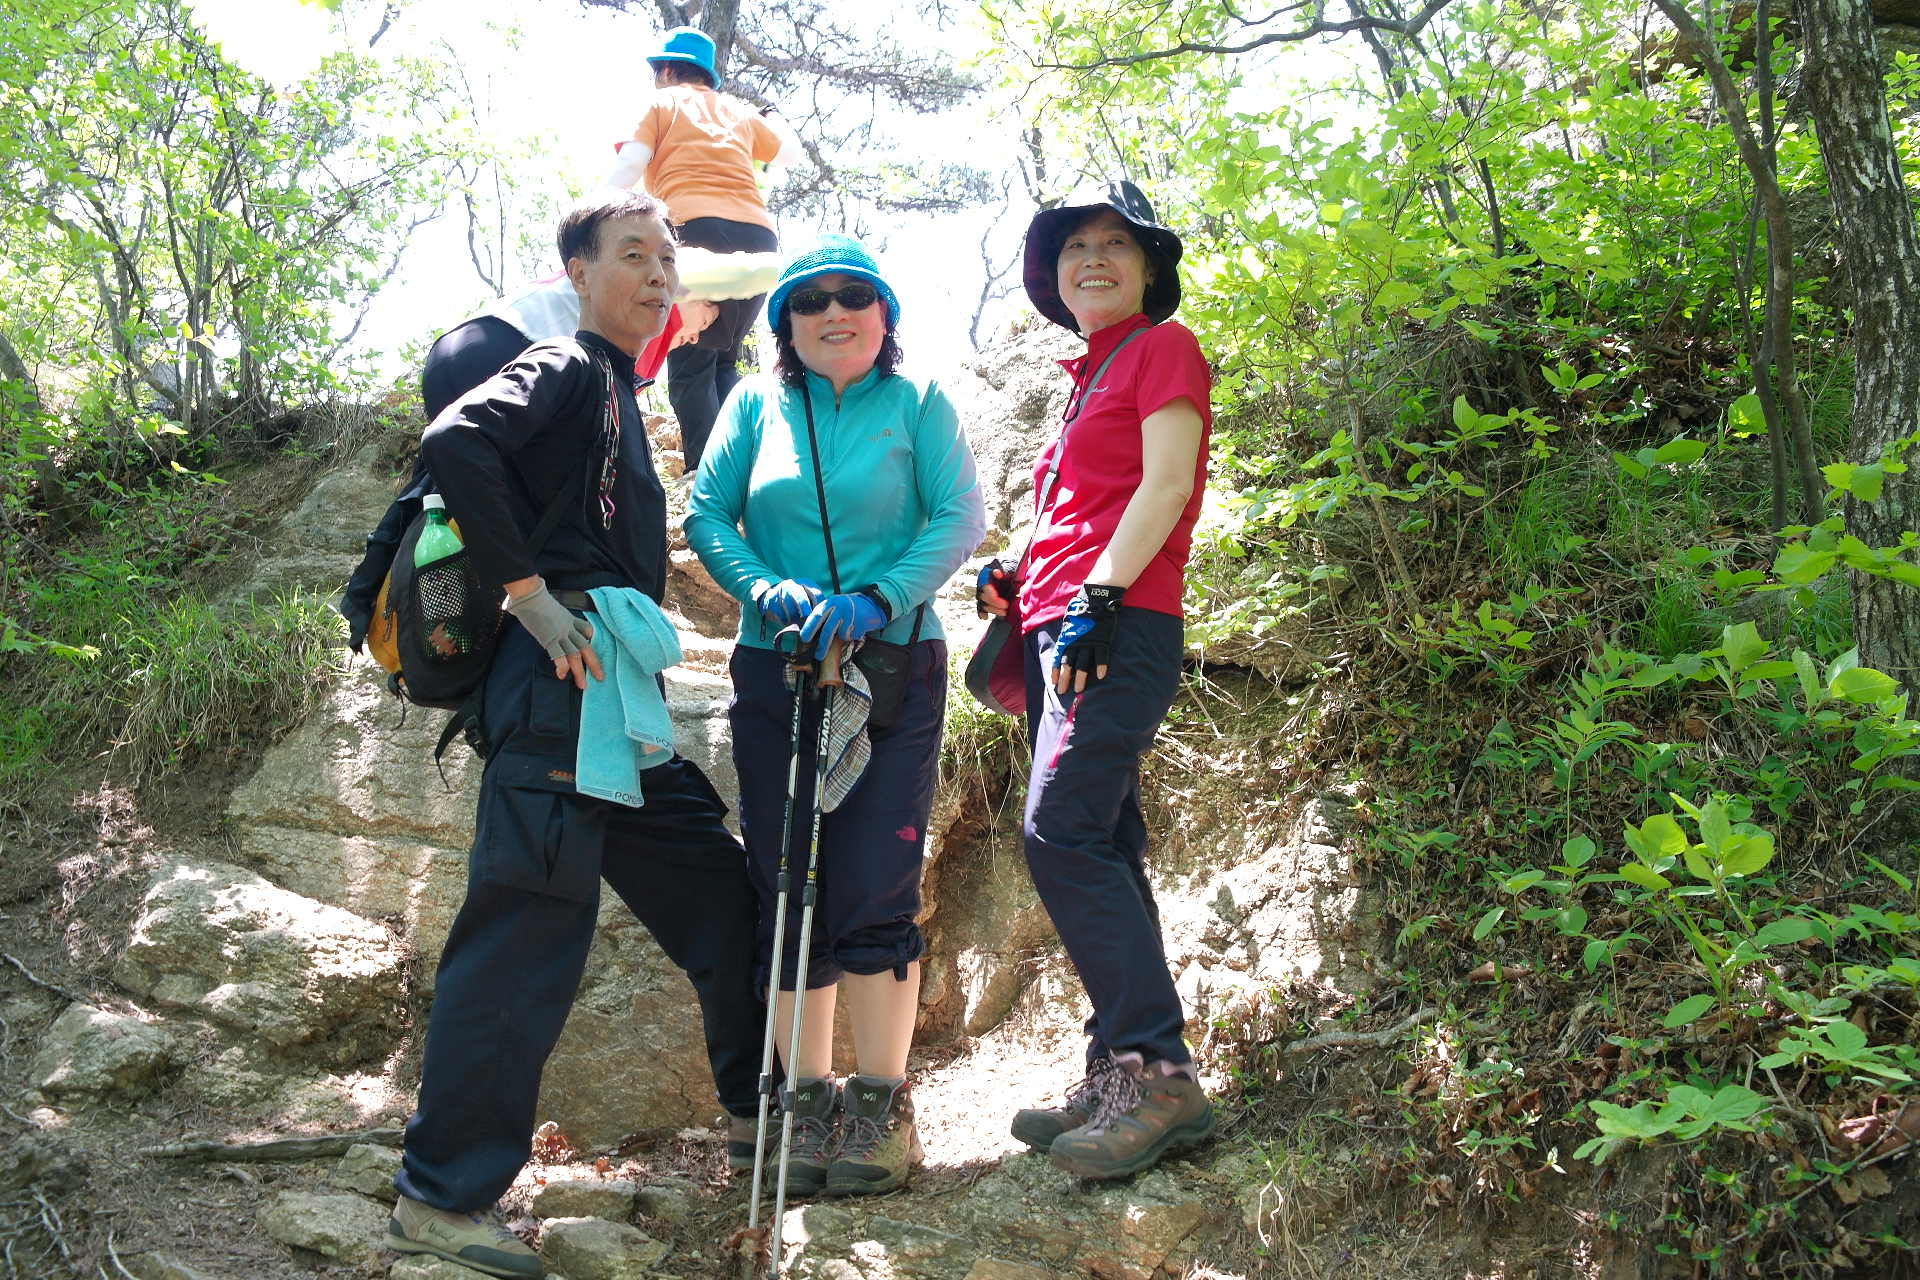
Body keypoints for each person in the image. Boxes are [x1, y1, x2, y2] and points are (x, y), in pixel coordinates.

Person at [385, 191, 765, 1280]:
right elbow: (457, 437)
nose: (657, 276)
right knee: (525, 939)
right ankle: (441, 1198)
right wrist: (528, 594)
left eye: (667, 261)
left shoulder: (615, 388)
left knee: (721, 894)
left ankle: (761, 1116)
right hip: (555, 692)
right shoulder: (562, 362)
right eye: (631, 256)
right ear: (579, 275)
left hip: (616, 705)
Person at [685, 234, 984, 1196]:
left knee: (873, 879)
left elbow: (960, 516)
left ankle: (881, 1103)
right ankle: (806, 1103)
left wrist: (878, 598)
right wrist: (763, 587)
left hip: (894, 662)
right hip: (777, 663)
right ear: (784, 325)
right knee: (784, 878)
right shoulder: (752, 403)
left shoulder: (919, 401)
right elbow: (707, 515)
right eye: (809, 301)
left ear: (885, 314)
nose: (833, 312)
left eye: (855, 295)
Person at [975, 180, 1215, 1180]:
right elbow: (1089, 505)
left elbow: (1167, 483)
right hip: (1062, 621)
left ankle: (1161, 1077)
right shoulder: (1089, 375)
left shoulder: (1164, 347)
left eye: (1116, 243)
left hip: (1117, 623)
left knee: (1061, 828)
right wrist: (1019, 572)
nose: (1094, 259)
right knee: (1105, 837)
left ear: (1150, 267)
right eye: (1075, 247)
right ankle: (1116, 1068)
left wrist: (1102, 595)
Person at [607, 25, 802, 472]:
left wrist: (589, 217)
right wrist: (772, 115)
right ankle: (748, 472)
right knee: (722, 360)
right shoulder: (738, 111)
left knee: (689, 361)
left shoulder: (662, 103)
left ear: (667, 71)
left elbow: (631, 164)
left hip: (691, 233)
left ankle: (707, 480)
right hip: (758, 240)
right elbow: (789, 154)